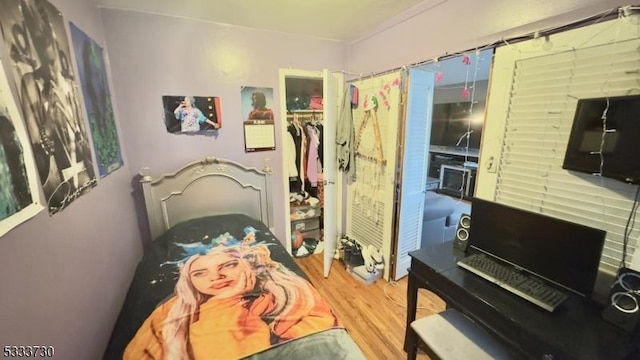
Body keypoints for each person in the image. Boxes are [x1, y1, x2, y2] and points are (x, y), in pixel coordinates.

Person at [124, 242, 338, 359]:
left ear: (246, 264)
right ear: (188, 281)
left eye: (227, 265)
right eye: (200, 273)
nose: (216, 277)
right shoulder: (168, 313)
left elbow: (318, 343)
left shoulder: (287, 292)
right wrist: (224, 301)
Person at [16, 0, 95, 213]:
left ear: (53, 33)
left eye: (46, 32)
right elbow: (36, 147)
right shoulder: (30, 83)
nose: (45, 41)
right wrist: (49, 125)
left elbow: (85, 144)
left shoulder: (70, 85)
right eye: (37, 35)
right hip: (59, 184)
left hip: (84, 176)